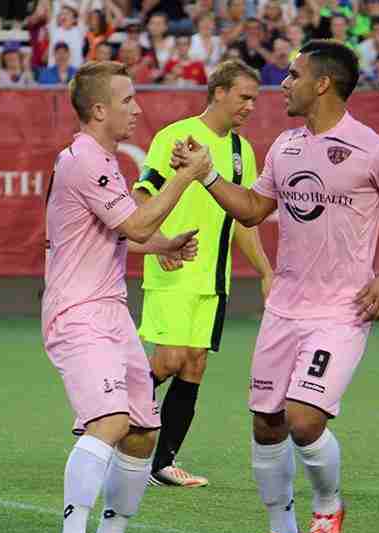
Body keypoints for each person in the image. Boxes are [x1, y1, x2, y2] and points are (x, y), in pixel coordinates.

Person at [172, 39, 379, 533]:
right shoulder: (285, 148)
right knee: (266, 424)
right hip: (285, 309)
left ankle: (326, 511)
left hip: (342, 310)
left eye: (293, 75)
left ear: (323, 83)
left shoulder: (376, 149)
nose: (282, 84)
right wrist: (206, 175)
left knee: (303, 417)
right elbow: (253, 209)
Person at [42, 60, 212, 533]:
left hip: (111, 310)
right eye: (128, 100)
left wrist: (162, 245)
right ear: (99, 110)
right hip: (78, 313)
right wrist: (187, 176)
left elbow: (124, 232)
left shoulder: (104, 161)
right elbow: (135, 220)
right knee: (111, 422)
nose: (137, 108)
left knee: (142, 431)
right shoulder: (85, 161)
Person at [133, 59, 273, 487]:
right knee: (170, 360)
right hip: (173, 268)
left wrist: (267, 272)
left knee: (193, 366)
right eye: (244, 96)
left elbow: (242, 222)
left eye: (255, 98)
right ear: (219, 92)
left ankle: (163, 463)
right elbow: (142, 193)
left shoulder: (240, 152)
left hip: (214, 278)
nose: (251, 106)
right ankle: (99, 414)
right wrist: (158, 243)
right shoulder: (176, 136)